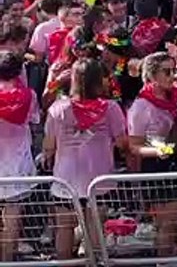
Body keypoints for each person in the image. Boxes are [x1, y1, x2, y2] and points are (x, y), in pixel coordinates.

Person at [43, 58, 128, 261]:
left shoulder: (58, 109)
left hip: (65, 180)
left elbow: (48, 146)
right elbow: (123, 143)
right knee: (95, 229)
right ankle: (93, 262)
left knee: (64, 229)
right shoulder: (111, 108)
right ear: (99, 80)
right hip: (99, 179)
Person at [127, 52, 177, 255]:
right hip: (158, 162)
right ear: (152, 76)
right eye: (167, 72)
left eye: (174, 70)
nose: (173, 76)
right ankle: (162, 259)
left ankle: (171, 252)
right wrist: (161, 150)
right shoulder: (141, 106)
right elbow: (134, 146)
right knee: (168, 221)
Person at [0, 50, 38, 262]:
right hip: (18, 164)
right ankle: (6, 260)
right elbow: (34, 120)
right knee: (13, 215)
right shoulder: (29, 95)